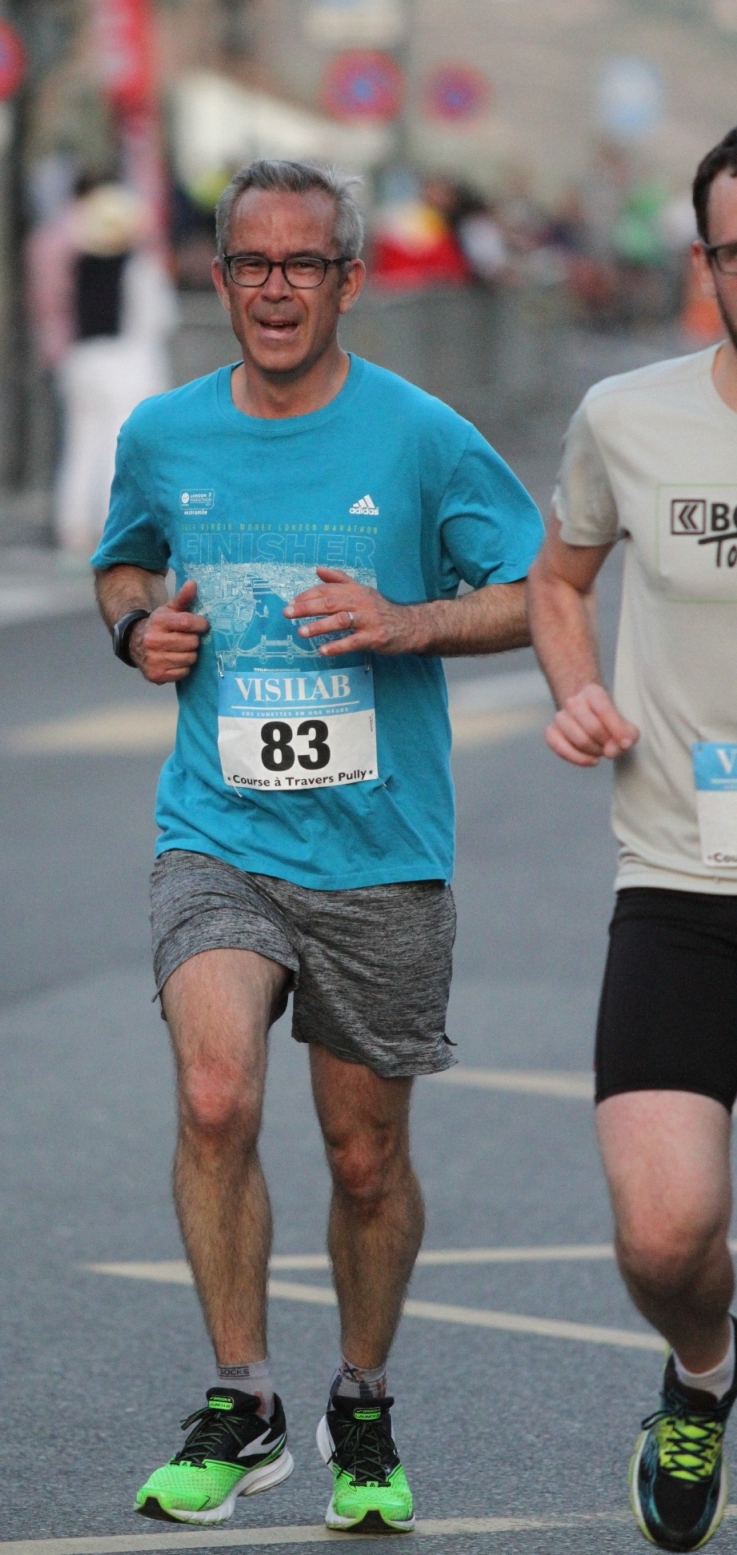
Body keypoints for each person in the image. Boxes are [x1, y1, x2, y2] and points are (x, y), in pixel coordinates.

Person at [92, 158, 544, 1532]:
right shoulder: (164, 431)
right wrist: (137, 627)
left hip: (379, 847)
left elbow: (538, 590)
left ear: (350, 280)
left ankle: (362, 1400)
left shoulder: (420, 437)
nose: (275, 289)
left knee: (363, 1157)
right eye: (252, 263)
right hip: (217, 830)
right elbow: (121, 559)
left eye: (303, 264)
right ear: (218, 276)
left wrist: (409, 621)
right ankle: (242, 1399)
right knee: (213, 1094)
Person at [527, 127, 737, 1554]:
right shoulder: (626, 416)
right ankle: (701, 1374)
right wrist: (576, 685)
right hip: (678, 876)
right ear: (706, 261)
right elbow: (559, 579)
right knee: (662, 1237)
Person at [28, 178, 178, 556]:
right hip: (126, 365)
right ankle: (110, 525)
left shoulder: (79, 265)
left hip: (81, 362)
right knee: (119, 449)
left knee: (81, 446)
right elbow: (158, 319)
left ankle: (74, 525)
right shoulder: (140, 267)